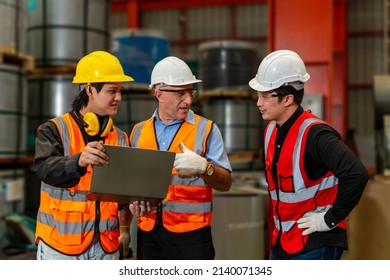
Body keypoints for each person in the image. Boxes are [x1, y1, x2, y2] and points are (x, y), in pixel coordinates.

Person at [248, 49, 369, 260]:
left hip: (315, 241)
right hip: (284, 241)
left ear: (288, 99)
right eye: (258, 95)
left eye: (266, 96)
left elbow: (357, 174)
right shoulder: (271, 131)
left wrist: (329, 219)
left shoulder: (315, 135)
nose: (259, 102)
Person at [128, 56, 232, 260]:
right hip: (148, 235)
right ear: (159, 94)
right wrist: (132, 203)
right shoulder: (138, 132)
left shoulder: (207, 129)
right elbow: (131, 185)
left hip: (192, 237)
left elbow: (226, 183)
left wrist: (205, 168)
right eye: (181, 93)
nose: (189, 100)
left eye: (190, 92)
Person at [33, 50, 134, 260]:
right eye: (112, 91)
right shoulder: (54, 130)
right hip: (61, 248)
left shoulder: (122, 138)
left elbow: (123, 196)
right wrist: (78, 160)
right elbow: (44, 169)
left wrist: (126, 224)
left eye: (120, 91)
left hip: (106, 247)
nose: (119, 98)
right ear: (90, 89)